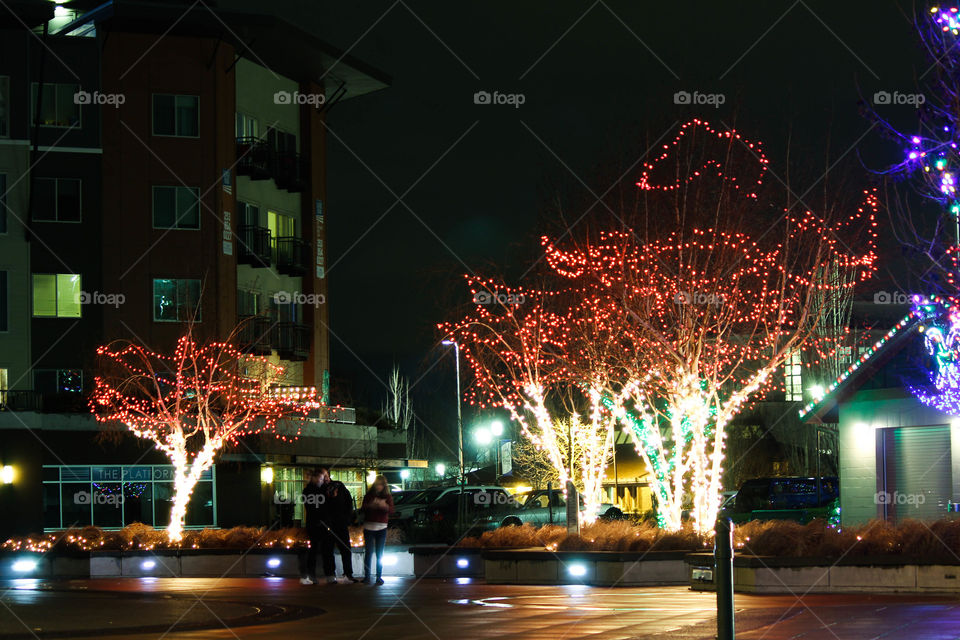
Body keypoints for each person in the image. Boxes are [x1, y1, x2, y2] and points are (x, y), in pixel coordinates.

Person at [318, 467, 359, 584]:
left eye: (326, 475)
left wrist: (347, 518)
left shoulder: (339, 486)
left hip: (341, 523)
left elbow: (348, 501)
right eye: (322, 476)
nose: (325, 478)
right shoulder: (319, 490)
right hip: (328, 524)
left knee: (345, 548)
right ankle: (330, 575)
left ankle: (348, 574)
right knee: (328, 550)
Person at [360, 475, 394, 585]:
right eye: (377, 484)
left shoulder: (387, 497)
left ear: (384, 486)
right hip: (369, 526)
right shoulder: (369, 496)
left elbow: (391, 510)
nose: (378, 486)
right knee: (369, 552)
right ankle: (367, 576)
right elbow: (363, 508)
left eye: (381, 485)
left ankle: (379, 576)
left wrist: (385, 507)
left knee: (380, 554)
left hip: (381, 527)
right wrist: (370, 506)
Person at [300, 469, 324, 585]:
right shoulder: (313, 491)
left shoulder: (309, 490)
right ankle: (311, 573)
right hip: (315, 523)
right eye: (320, 479)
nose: (321, 481)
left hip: (314, 522)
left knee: (314, 549)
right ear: (314, 478)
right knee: (314, 549)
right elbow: (313, 507)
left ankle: (311, 574)